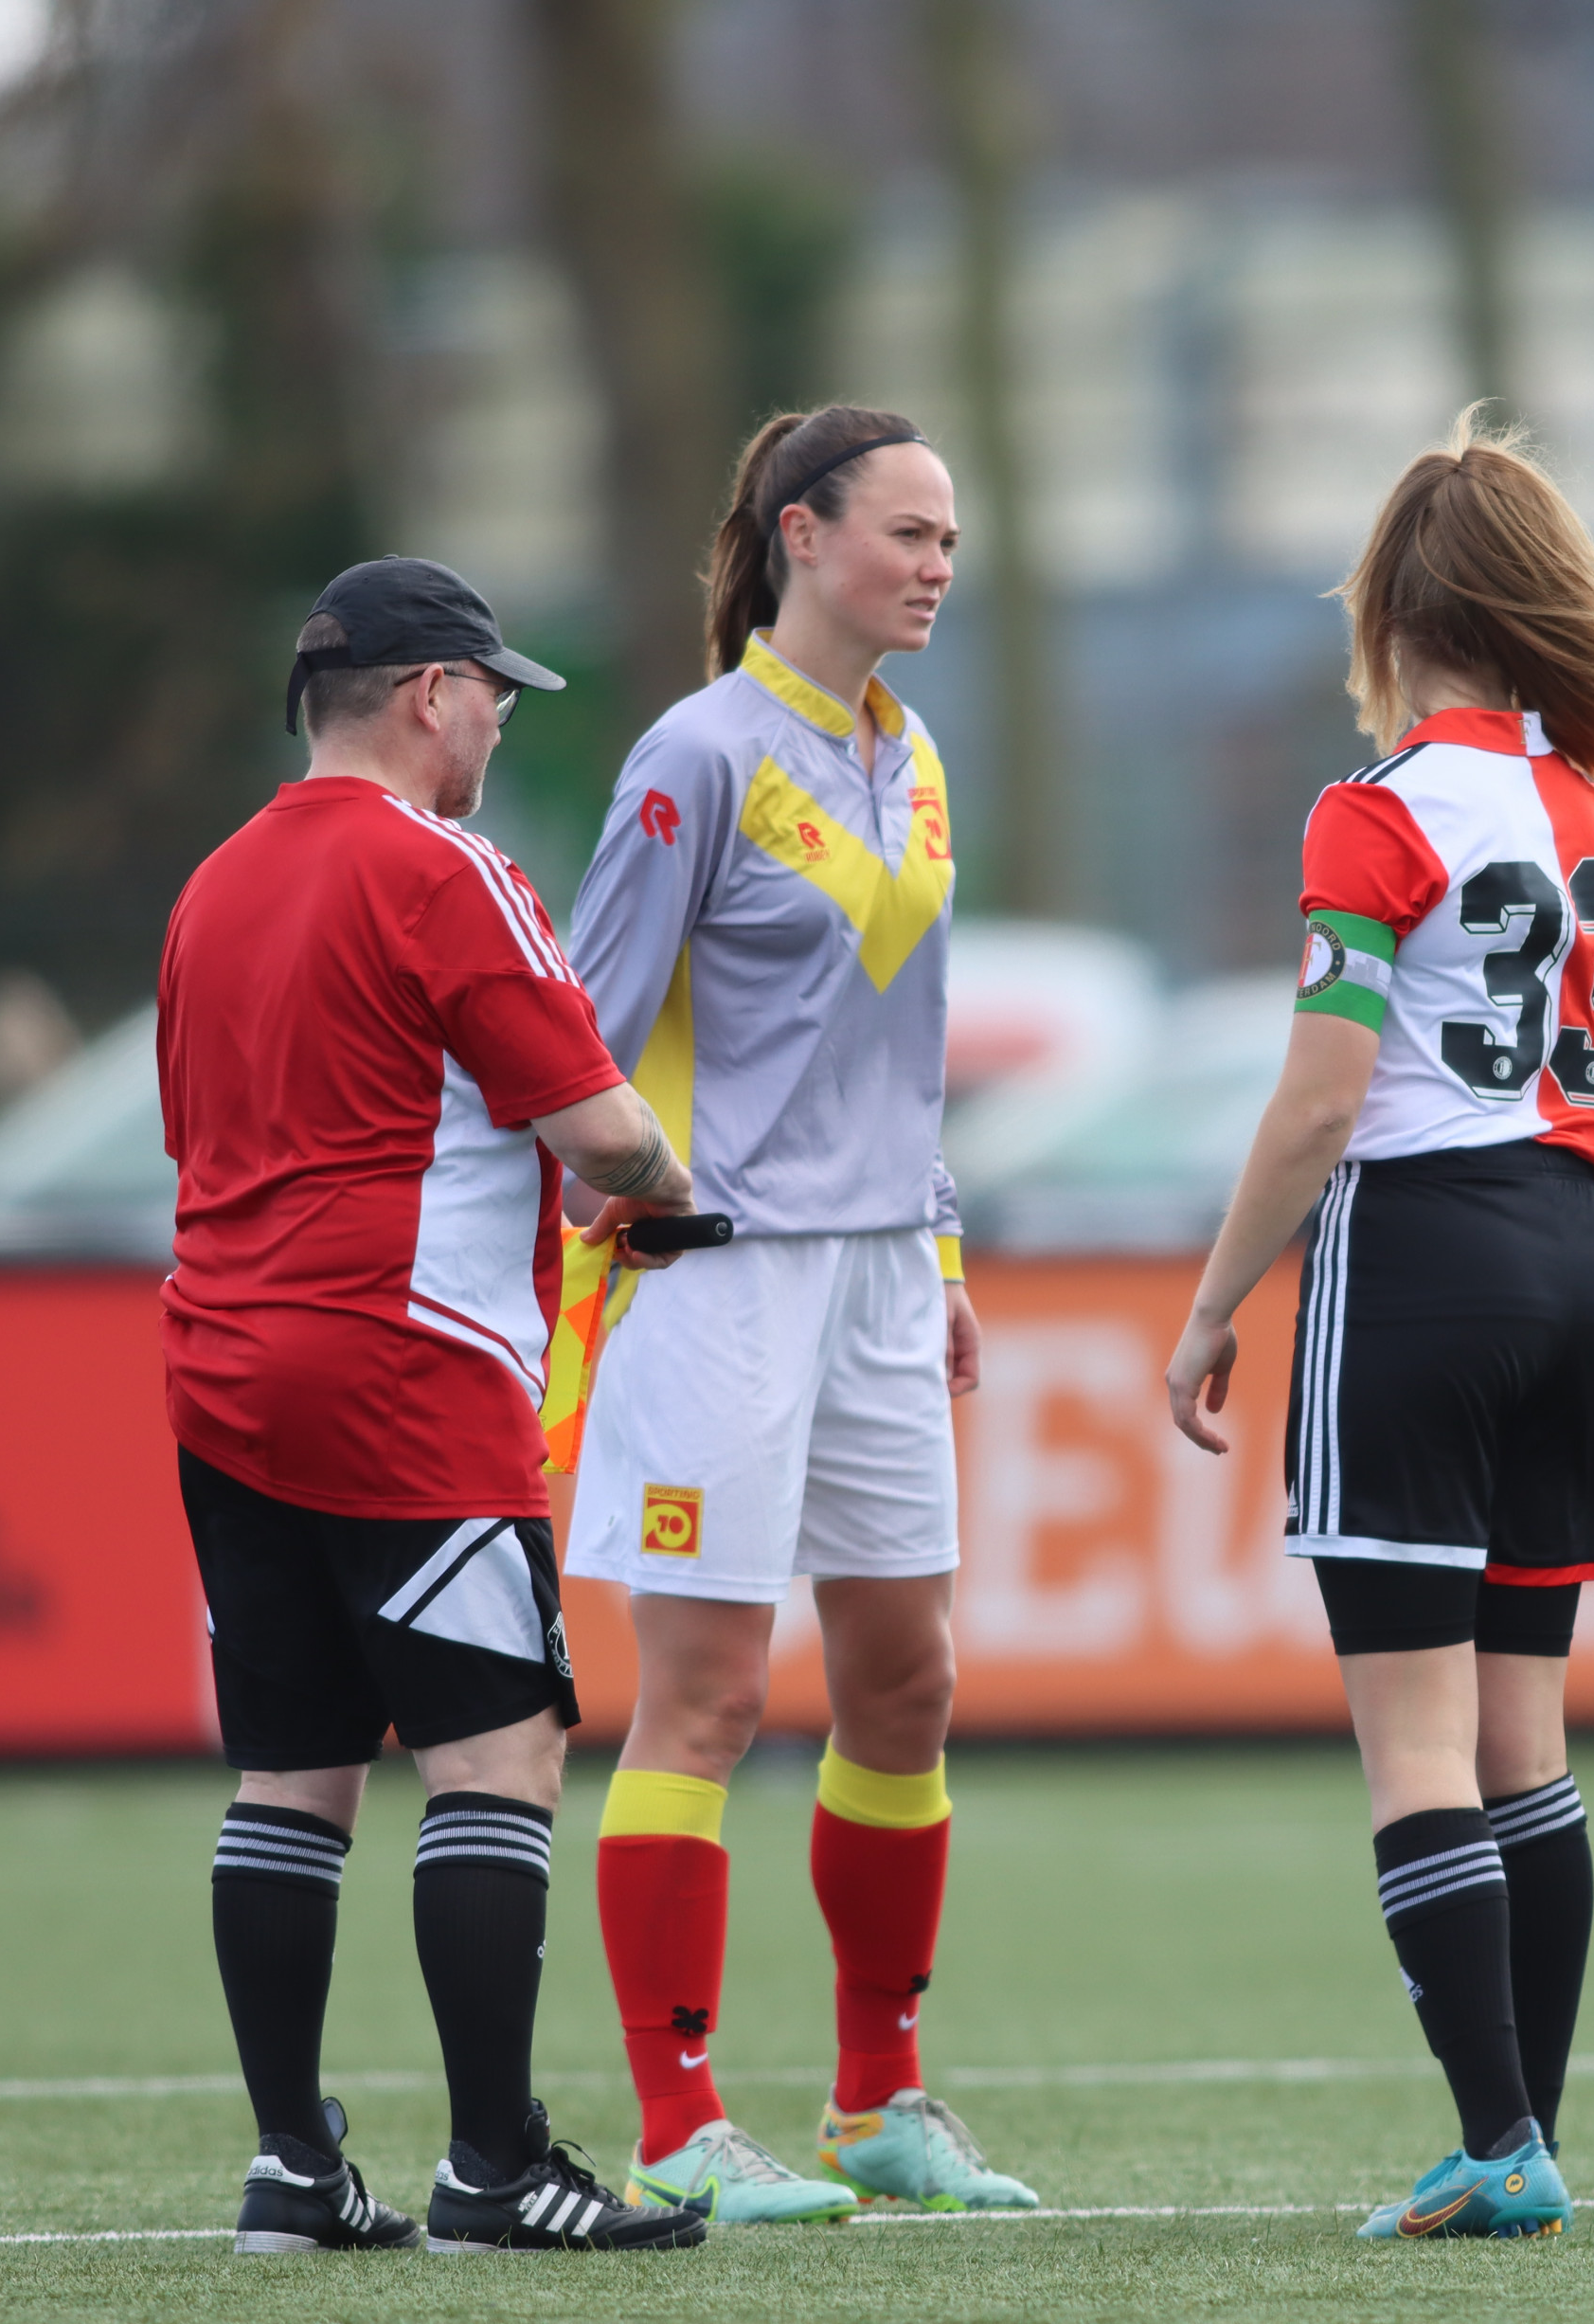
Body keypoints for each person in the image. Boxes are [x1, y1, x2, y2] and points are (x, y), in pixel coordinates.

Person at [1164, 408, 1594, 2243]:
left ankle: (1498, 2146)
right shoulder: (1593, 813)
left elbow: (1319, 1103)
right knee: (1526, 1737)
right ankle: (1525, 2120)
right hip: (1572, 1253)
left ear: (1390, 606)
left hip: (1421, 1255)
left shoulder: (1374, 812)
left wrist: (1217, 1301)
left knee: (1416, 1746)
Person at [161, 555, 709, 2257]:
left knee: (291, 1773)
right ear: (425, 696)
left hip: (219, 1360)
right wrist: (668, 1197)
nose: (492, 723)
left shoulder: (211, 885)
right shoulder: (445, 865)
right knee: (499, 1754)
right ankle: (494, 2163)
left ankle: (291, 2167)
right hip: (403, 1366)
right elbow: (603, 1129)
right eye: (488, 692)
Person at [558, 405, 1033, 2223]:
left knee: (908, 1682)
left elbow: (897, 1065)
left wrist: (942, 1256)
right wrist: (630, 1217)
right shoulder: (691, 756)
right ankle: (679, 2126)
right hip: (721, 1278)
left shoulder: (907, 757)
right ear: (798, 534)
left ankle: (877, 2101)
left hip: (881, 1280)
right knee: (708, 1696)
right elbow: (579, 1036)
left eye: (949, 542)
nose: (934, 566)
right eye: (908, 533)